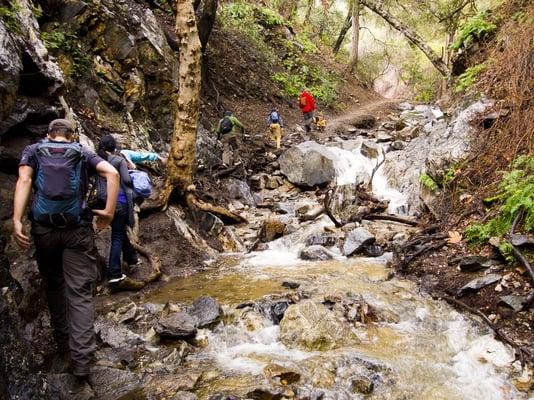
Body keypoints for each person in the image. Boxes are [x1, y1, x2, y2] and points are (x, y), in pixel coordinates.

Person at [12, 119, 119, 380]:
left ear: (49, 134)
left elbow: (24, 181)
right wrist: (108, 213)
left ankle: (63, 347)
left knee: (54, 285)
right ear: (71, 136)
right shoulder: (82, 151)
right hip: (76, 230)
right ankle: (82, 361)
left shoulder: (33, 150)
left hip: (44, 230)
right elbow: (112, 174)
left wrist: (16, 220)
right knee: (79, 293)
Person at [96, 135, 144, 292]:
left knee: (119, 231)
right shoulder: (118, 160)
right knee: (117, 236)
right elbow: (127, 180)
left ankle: (132, 259)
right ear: (113, 147)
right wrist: (133, 172)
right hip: (120, 201)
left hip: (104, 201)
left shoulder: (97, 161)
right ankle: (114, 273)